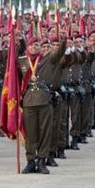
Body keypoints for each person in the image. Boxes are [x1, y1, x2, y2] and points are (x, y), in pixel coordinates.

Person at [19, 36, 67, 174]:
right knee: (30, 134)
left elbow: (60, 52)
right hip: (28, 101)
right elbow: (14, 80)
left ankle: (42, 161)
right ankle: (30, 161)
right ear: (27, 47)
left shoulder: (48, 59)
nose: (34, 47)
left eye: (37, 45)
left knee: (45, 132)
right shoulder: (21, 61)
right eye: (31, 45)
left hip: (45, 100)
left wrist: (63, 40)